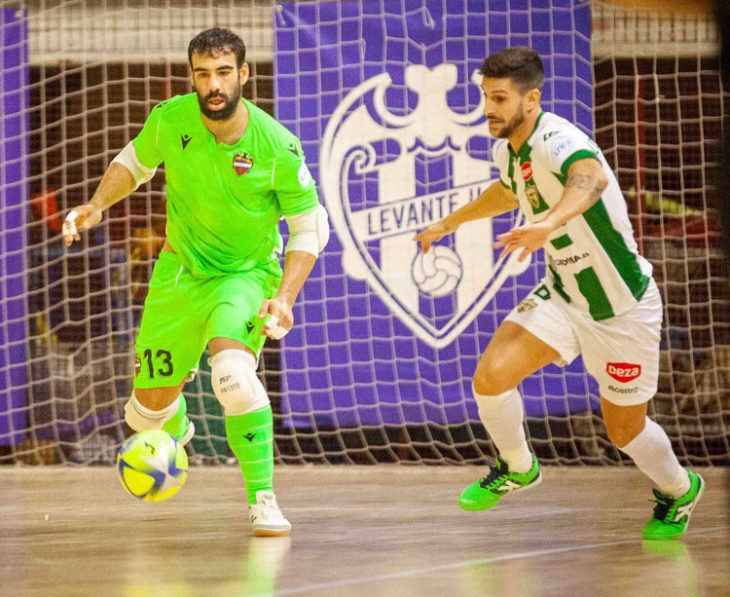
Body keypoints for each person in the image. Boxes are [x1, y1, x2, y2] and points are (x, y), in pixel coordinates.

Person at [413, 47, 703, 539]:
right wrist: (450, 222)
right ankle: (517, 465)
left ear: (532, 99)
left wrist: (547, 223)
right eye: (486, 96)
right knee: (491, 377)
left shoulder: (559, 138)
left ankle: (679, 489)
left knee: (624, 432)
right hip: (564, 295)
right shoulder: (507, 147)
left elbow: (590, 178)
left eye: (500, 98)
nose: (489, 107)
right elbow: (509, 191)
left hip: (621, 310)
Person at [62, 27, 329, 537]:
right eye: (203, 74)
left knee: (231, 372)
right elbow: (133, 163)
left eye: (224, 72)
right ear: (192, 77)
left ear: (243, 75)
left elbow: (311, 226)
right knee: (143, 418)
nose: (214, 84)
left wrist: (284, 296)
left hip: (244, 275)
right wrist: (97, 205)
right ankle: (177, 428)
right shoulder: (171, 117)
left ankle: (263, 500)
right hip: (179, 275)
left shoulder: (276, 145)